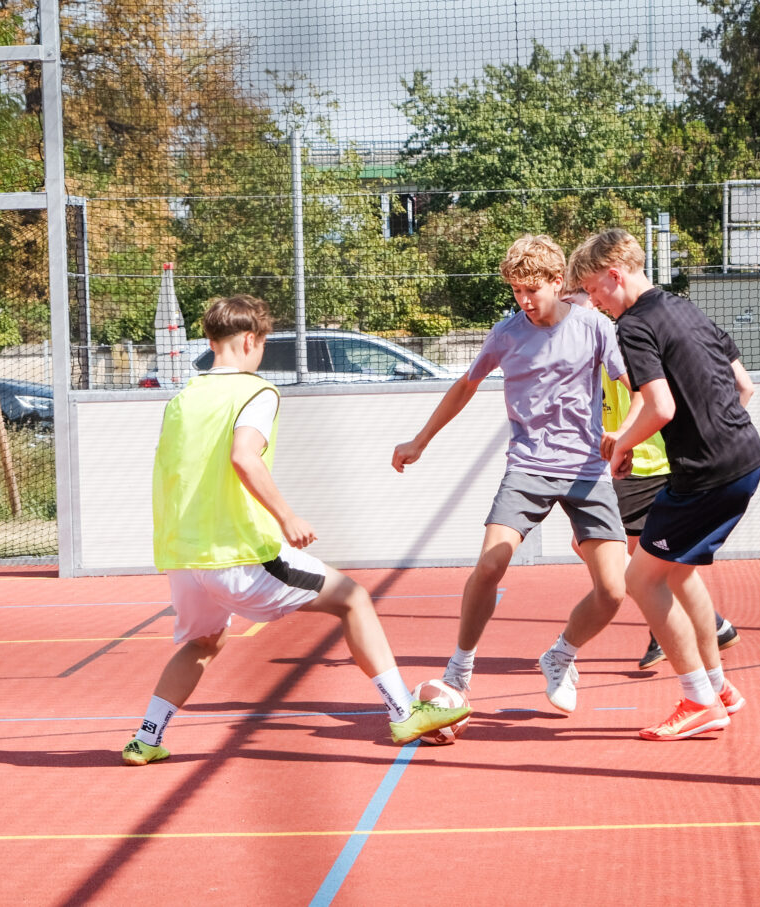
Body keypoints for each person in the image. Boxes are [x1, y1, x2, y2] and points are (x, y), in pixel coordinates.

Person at [123, 294, 470, 765]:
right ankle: (404, 712)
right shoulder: (256, 392)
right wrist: (286, 516)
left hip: (184, 557)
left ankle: (146, 737)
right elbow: (244, 456)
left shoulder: (183, 398)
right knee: (353, 599)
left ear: (209, 340)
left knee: (203, 643)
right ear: (251, 340)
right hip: (239, 552)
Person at [392, 234, 629, 714]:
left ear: (557, 283)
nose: (524, 302)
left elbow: (637, 386)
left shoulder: (595, 327)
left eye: (532, 291)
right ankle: (459, 670)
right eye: (516, 292)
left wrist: (624, 435)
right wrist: (420, 440)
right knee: (490, 564)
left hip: (586, 470)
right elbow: (465, 386)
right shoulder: (506, 333)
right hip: (527, 467)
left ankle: (561, 655)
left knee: (613, 590)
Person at [568, 228, 760, 741]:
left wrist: (623, 444)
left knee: (640, 580)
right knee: (677, 575)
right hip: (745, 457)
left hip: (707, 474)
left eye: (592, 289)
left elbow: (660, 407)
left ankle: (699, 699)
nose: (592, 302)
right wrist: (716, 434)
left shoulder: (632, 326)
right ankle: (719, 688)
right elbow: (744, 385)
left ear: (615, 275)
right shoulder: (685, 308)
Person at [561, 290, 741, 672]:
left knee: (619, 556)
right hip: (640, 461)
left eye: (574, 304)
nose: (566, 315)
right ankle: (711, 626)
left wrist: (621, 441)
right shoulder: (589, 345)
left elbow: (646, 398)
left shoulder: (614, 341)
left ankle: (678, 627)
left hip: (640, 464)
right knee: (657, 562)